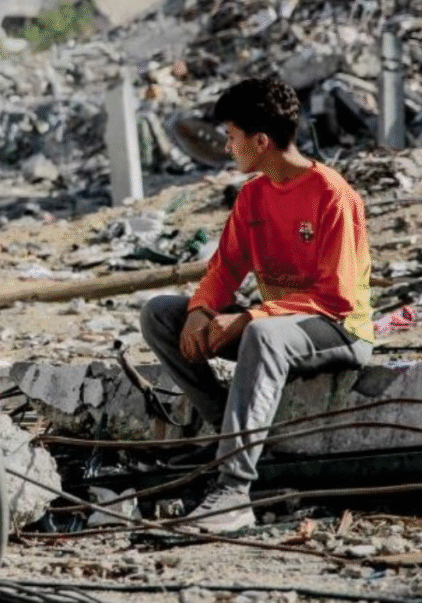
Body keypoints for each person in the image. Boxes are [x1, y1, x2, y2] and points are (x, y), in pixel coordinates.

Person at [140, 77, 374, 533]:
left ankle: (233, 491)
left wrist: (249, 316)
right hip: (279, 328)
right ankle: (230, 432)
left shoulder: (332, 195)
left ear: (260, 141)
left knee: (265, 335)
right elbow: (225, 268)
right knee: (159, 314)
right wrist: (200, 312)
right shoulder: (253, 195)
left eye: (231, 137)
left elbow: (336, 296)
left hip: (339, 330)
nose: (227, 148)